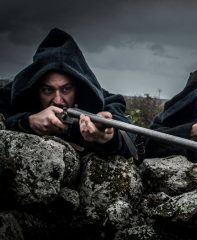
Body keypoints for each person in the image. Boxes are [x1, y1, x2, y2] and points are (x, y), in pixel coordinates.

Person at [0, 28, 133, 156]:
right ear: (36, 88)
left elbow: (132, 138)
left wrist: (109, 137)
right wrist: (26, 122)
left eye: (66, 89)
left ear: (78, 87)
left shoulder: (99, 99)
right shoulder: (13, 96)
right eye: (48, 90)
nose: (58, 100)